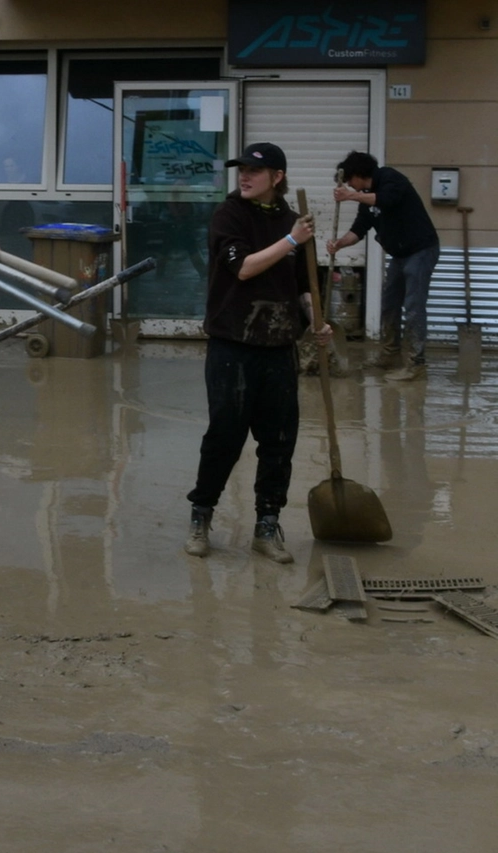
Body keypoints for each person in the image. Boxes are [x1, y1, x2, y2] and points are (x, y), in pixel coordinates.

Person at [183, 142, 332, 564]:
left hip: (279, 347)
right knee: (224, 436)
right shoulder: (229, 215)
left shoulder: (293, 222)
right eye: (241, 170)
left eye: (253, 171)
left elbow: (305, 286)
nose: (244, 177)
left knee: (279, 440)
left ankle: (267, 525)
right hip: (233, 345)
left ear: (277, 177)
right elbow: (244, 267)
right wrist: (291, 240)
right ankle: (201, 516)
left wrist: (317, 320)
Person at [327, 150, 439, 382]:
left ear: (358, 174)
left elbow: (387, 199)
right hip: (399, 256)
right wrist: (339, 244)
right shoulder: (365, 196)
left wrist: (349, 196)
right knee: (389, 304)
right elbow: (360, 228)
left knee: (414, 306)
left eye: (349, 180)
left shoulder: (390, 178)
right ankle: (390, 354)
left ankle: (416, 364)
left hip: (420, 251)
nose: (350, 186)